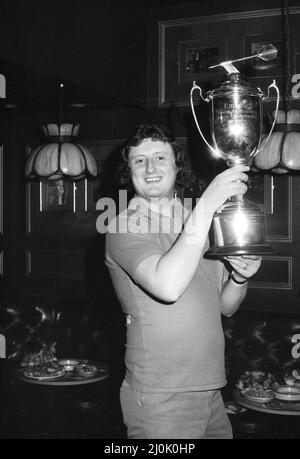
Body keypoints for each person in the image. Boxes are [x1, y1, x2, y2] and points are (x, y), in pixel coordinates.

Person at [105, 124, 261, 439]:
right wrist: (207, 203)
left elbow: (225, 306)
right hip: (160, 395)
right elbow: (168, 286)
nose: (150, 168)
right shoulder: (124, 225)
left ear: (177, 165)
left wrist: (241, 277)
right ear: (129, 171)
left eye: (160, 158)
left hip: (211, 389)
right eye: (139, 161)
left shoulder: (197, 223)